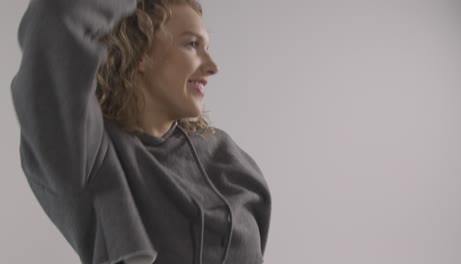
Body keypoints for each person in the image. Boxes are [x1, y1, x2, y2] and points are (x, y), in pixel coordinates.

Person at [10, 0, 271, 264]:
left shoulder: (226, 155)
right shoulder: (90, 157)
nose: (212, 66)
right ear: (141, 53)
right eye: (192, 44)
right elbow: (55, 17)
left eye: (207, 47)